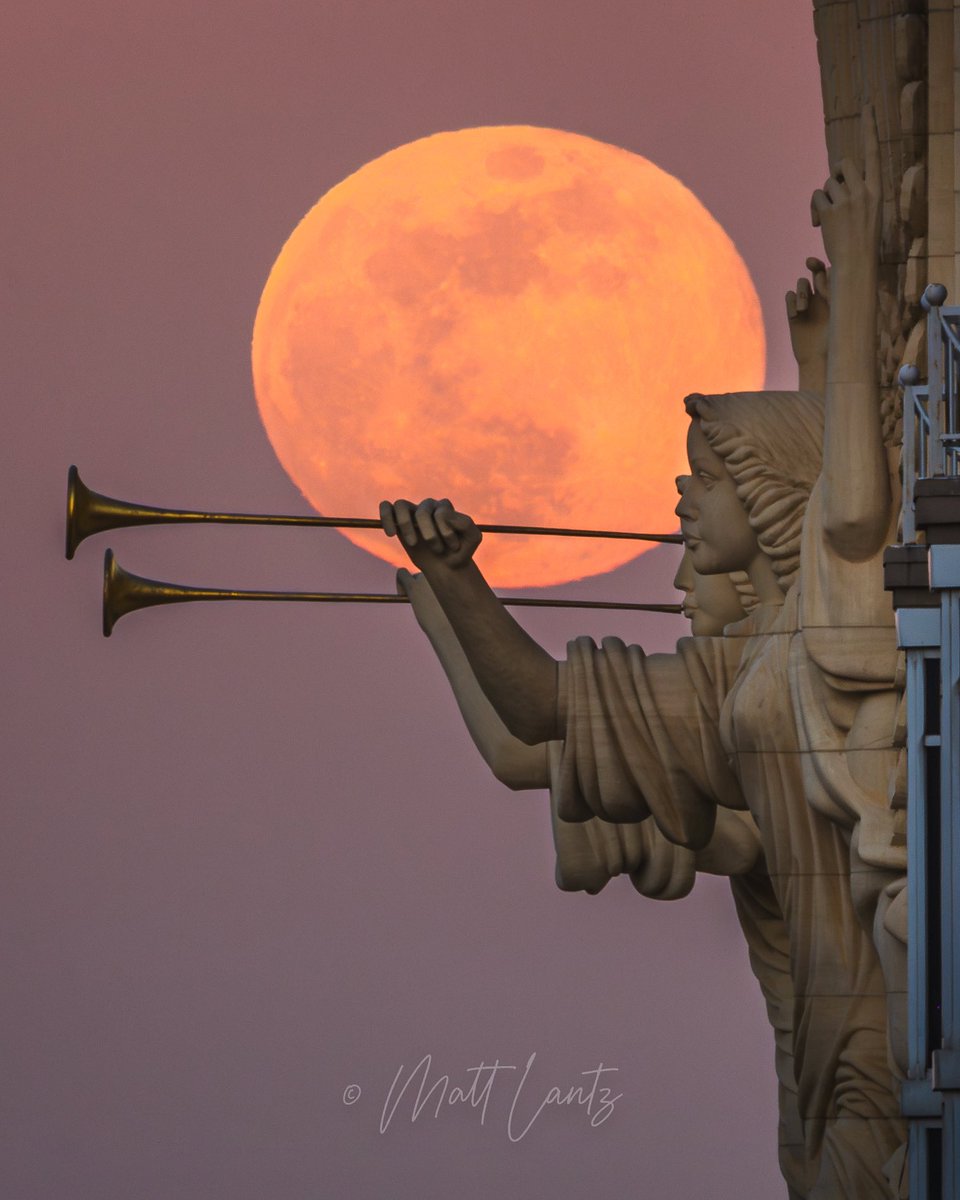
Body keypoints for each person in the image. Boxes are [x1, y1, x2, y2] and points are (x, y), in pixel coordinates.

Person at [379, 113, 904, 1197]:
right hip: (829, 1053)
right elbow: (539, 717)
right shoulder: (745, 667)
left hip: (882, 1044)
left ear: (764, 499)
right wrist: (452, 592)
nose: (681, 505)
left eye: (705, 476)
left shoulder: (832, 615)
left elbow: (848, 503)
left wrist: (856, 291)